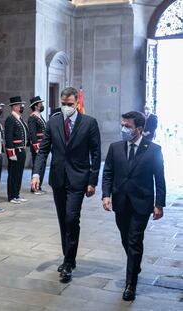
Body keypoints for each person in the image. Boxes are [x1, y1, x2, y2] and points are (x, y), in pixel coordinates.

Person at [31, 87, 101, 283]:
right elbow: (43, 151)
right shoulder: (53, 122)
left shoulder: (89, 123)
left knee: (72, 218)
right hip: (58, 178)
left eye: (69, 104)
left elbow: (96, 154)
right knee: (63, 220)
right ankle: (67, 256)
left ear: (77, 103)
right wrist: (36, 174)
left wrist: (92, 181)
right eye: (63, 104)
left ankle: (69, 262)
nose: (66, 107)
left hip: (79, 178)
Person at [102, 111, 165, 301]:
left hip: (141, 203)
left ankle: (131, 284)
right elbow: (108, 173)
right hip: (120, 202)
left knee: (134, 240)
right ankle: (134, 262)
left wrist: (159, 204)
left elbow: (159, 180)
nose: (124, 129)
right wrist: (106, 195)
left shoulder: (153, 150)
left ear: (139, 128)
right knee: (125, 238)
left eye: (127, 126)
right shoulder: (115, 148)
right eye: (122, 124)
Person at [5, 96, 29, 204]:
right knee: (13, 173)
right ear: (14, 107)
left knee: (19, 173)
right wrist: (11, 152)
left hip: (21, 149)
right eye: (20, 105)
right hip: (15, 150)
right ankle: (11, 195)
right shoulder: (10, 119)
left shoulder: (19, 119)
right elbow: (9, 137)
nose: (22, 107)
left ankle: (16, 194)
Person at [28, 96, 47, 195]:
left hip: (42, 145)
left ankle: (39, 186)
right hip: (37, 146)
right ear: (36, 106)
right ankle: (34, 187)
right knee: (37, 166)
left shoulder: (39, 116)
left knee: (42, 166)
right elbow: (32, 133)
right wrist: (36, 146)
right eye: (40, 104)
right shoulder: (32, 117)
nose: (42, 105)